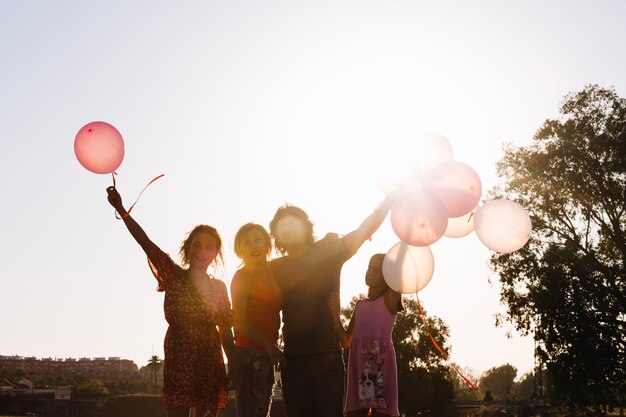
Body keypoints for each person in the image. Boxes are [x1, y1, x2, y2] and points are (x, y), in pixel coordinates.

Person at [106, 186, 234, 417]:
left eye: (209, 246)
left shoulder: (219, 288)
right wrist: (122, 209)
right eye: (197, 244)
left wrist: (232, 363)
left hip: (210, 358)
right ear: (187, 247)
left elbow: (225, 329)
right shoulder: (174, 276)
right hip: (179, 355)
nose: (202, 250)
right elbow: (145, 242)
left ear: (216, 252)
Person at [268, 197, 394, 417]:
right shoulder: (276, 268)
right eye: (282, 227)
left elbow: (364, 229)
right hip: (292, 362)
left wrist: (389, 201)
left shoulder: (330, 252)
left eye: (293, 223)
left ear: (305, 226)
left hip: (326, 360)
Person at [328, 253, 402, 417]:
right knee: (356, 414)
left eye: (376, 270)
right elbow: (346, 341)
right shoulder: (360, 305)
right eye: (369, 267)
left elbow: (399, 279)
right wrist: (335, 315)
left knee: (381, 414)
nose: (369, 272)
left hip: (379, 365)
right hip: (360, 368)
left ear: (387, 276)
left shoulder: (389, 299)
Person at [230, 223, 285, 417]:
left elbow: (298, 258)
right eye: (247, 242)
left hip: (267, 354)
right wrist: (269, 346)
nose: (254, 246)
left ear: (267, 244)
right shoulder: (242, 277)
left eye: (258, 240)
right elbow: (239, 323)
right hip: (249, 354)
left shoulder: (274, 269)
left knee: (262, 411)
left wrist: (326, 240)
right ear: (240, 249)